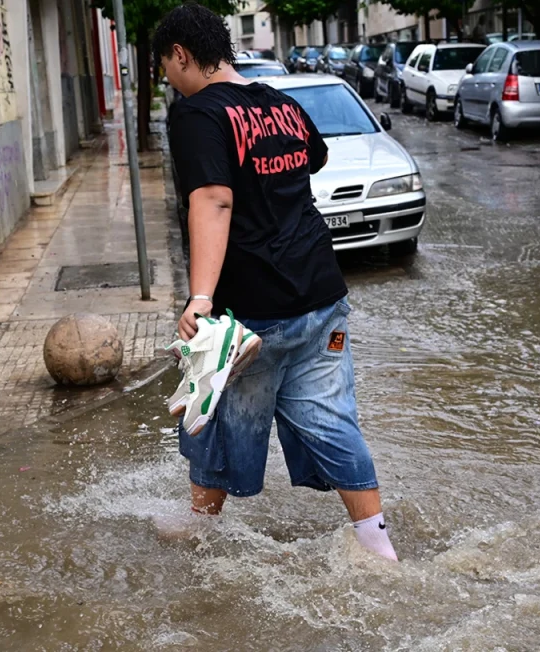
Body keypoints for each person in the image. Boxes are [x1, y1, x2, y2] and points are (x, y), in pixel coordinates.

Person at [154, 3, 397, 562]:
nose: (168, 78)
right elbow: (313, 158)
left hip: (254, 309)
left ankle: (201, 526)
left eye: (166, 65)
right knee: (333, 420)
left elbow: (214, 199)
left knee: (208, 404)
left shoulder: (197, 115)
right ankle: (378, 548)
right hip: (322, 296)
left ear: (181, 55)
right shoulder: (282, 104)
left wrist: (201, 298)